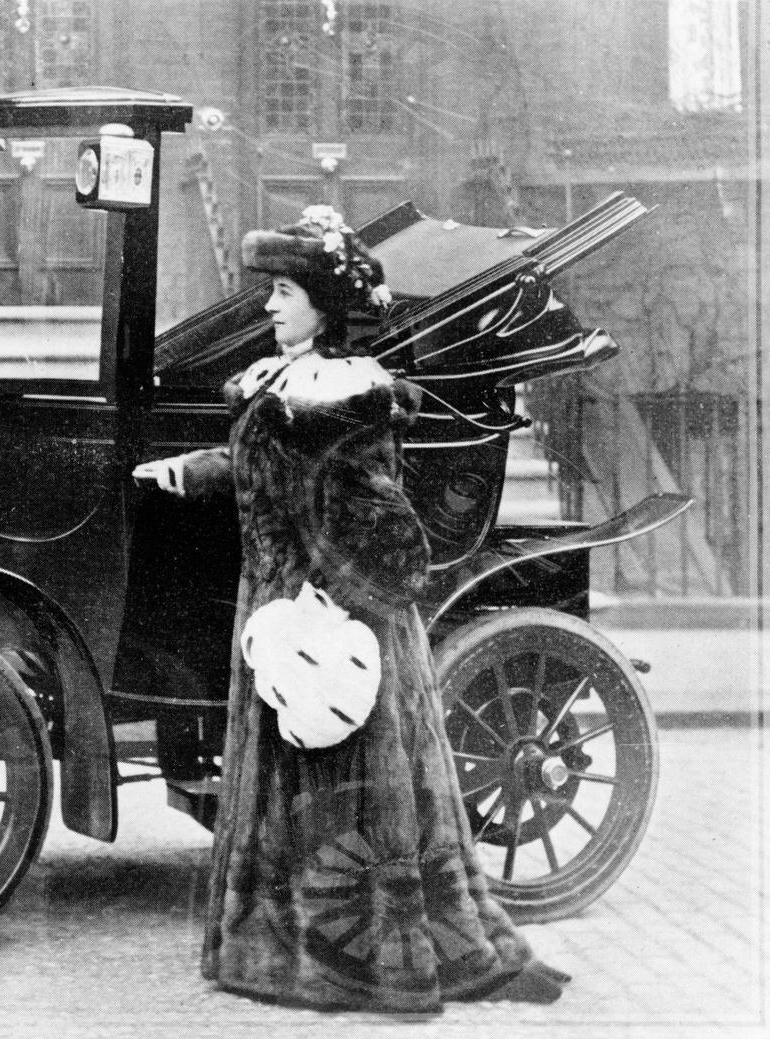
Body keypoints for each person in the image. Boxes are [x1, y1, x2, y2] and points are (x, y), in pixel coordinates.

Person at [134, 206, 568, 1013]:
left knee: (342, 780)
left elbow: (389, 528)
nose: (269, 306)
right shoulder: (280, 380)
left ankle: (365, 960)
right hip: (274, 604)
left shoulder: (347, 394)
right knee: (285, 776)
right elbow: (262, 463)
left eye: (286, 291)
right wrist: (193, 471)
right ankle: (283, 948)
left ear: (326, 307)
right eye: (270, 290)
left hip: (333, 614)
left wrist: (328, 594)